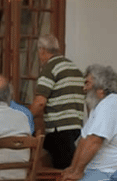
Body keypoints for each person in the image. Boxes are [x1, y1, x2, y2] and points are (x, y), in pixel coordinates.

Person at [29, 34, 85, 169]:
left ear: (42, 50)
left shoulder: (49, 69)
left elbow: (40, 103)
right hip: (76, 127)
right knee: (67, 167)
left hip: (59, 129)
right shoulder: (75, 69)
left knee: (61, 174)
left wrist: (25, 117)